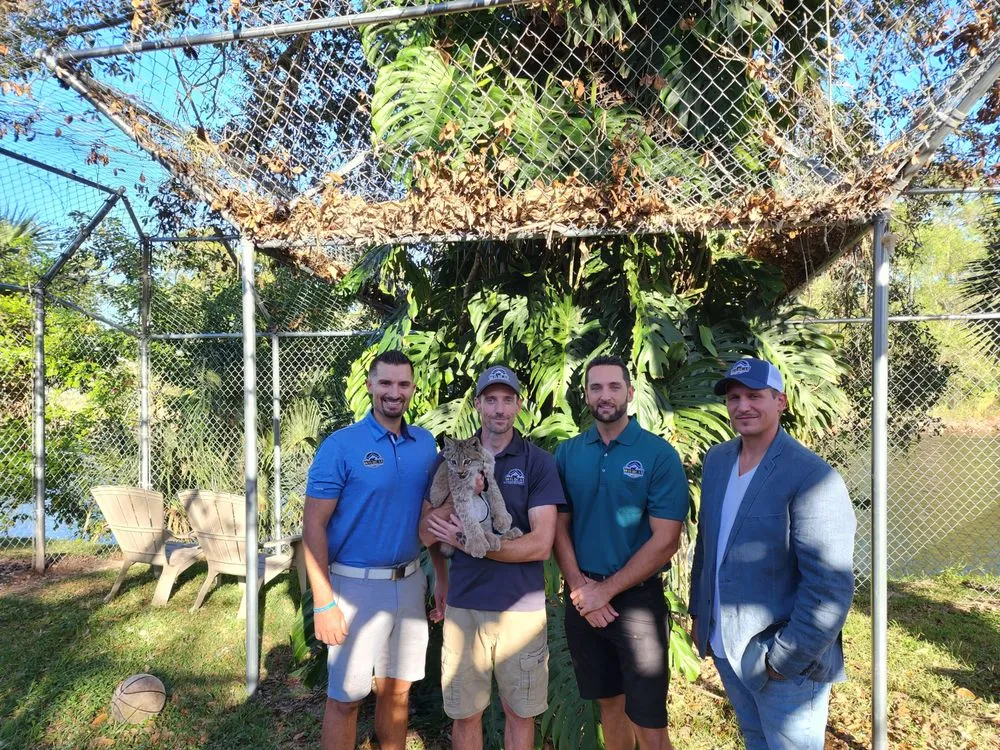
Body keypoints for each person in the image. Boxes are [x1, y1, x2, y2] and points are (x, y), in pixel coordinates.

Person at [688, 357, 856, 750]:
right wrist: (701, 614)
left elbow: (829, 585)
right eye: (734, 397)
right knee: (755, 740)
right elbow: (708, 547)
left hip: (782, 661)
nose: (743, 406)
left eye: (754, 395)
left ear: (780, 401)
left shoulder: (812, 476)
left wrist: (783, 659)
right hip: (726, 646)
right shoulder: (718, 461)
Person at [422, 364, 565, 750]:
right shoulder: (452, 456)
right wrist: (442, 576)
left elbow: (539, 545)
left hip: (521, 608)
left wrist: (474, 543)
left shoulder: (538, 462)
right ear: (477, 405)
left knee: (520, 713)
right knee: (465, 714)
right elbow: (426, 532)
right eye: (490, 400)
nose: (498, 409)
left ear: (519, 405)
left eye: (506, 400)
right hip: (465, 604)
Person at [302, 349, 439, 750]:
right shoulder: (342, 446)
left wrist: (440, 580)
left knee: (397, 693)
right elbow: (313, 525)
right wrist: (324, 602)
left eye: (402, 384)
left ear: (413, 389)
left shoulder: (425, 445)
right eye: (385, 383)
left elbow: (430, 517)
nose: (394, 392)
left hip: (411, 582)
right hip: (353, 587)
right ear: (370, 386)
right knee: (346, 699)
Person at [553, 355, 688, 750]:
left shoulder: (658, 455)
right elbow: (559, 527)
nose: (605, 395)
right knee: (609, 705)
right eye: (596, 387)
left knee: (648, 720)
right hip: (583, 601)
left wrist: (605, 591)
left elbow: (666, 540)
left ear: (630, 393)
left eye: (614, 387)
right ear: (586, 396)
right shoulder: (568, 453)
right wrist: (582, 589)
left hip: (636, 603)